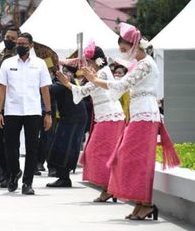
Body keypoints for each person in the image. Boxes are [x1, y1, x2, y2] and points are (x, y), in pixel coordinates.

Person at [81, 22, 180, 220]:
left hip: (146, 116)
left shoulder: (145, 65)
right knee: (128, 158)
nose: (123, 53)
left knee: (137, 159)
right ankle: (141, 202)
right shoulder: (140, 64)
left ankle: (147, 203)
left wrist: (94, 80)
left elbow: (123, 84)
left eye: (125, 49)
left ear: (134, 45)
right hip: (138, 116)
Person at [56, 41, 125, 201]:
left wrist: (67, 84)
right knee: (102, 153)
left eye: (89, 62)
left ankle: (109, 188)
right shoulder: (102, 72)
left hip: (110, 117)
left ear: (97, 61)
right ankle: (109, 188)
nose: (87, 65)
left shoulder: (100, 74)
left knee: (94, 152)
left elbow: (85, 91)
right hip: (109, 117)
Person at [0, 32, 52, 195]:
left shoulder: (40, 64)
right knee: (10, 146)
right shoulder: (8, 63)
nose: (19, 45)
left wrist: (48, 113)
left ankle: (28, 182)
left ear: (31, 45)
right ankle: (14, 173)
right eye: (18, 42)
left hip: (33, 111)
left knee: (32, 148)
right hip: (12, 110)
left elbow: (45, 89)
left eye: (23, 43)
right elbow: (2, 88)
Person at [46, 65, 88, 188]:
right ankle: (62, 176)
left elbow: (49, 90)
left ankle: (64, 177)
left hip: (74, 119)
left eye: (66, 72)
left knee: (67, 146)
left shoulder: (67, 84)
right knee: (62, 145)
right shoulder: (68, 83)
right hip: (70, 118)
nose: (63, 74)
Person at [0, 27, 18, 187]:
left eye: (13, 38)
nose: (9, 40)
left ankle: (11, 172)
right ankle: (6, 171)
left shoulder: (18, 57)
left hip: (12, 103)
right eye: (7, 37)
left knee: (10, 141)